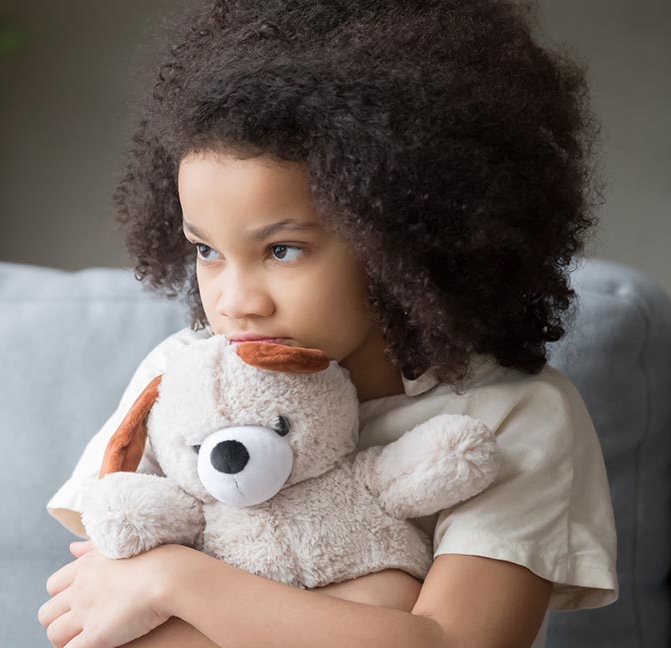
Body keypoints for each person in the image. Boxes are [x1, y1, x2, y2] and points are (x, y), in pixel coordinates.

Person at [36, 1, 619, 647]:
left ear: (407, 240)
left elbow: (454, 644)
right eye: (207, 251)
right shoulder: (181, 377)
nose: (234, 301)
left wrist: (178, 581)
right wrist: (378, 615)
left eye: (282, 250)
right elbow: (99, 618)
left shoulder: (511, 417)